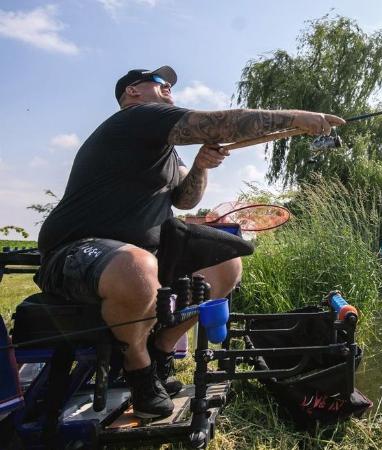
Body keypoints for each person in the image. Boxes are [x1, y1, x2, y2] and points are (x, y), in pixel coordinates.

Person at [35, 66, 345, 419]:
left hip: (143, 254)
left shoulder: (163, 149)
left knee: (226, 262)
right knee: (136, 266)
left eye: (168, 83)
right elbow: (221, 123)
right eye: (157, 82)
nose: (167, 86)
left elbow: (185, 200)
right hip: (76, 248)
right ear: (132, 92)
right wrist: (297, 118)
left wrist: (201, 165)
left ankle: (162, 351)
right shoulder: (137, 118)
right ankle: (138, 369)